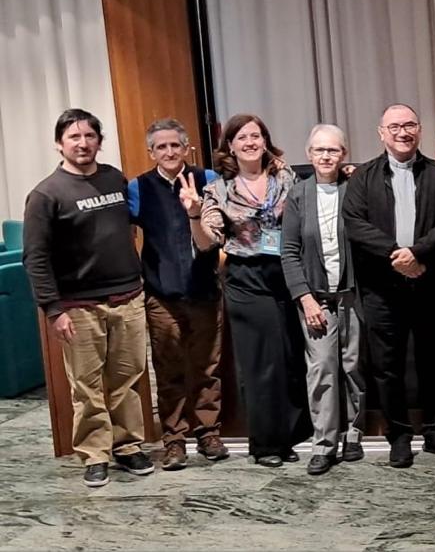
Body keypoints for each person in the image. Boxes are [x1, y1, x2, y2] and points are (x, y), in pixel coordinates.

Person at [23, 109, 153, 487]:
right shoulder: (46, 194)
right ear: (59, 144)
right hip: (79, 306)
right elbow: (35, 257)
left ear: (99, 140)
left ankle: (128, 446)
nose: (83, 143)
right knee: (86, 385)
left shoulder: (114, 178)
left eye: (89, 136)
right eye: (74, 137)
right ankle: (95, 454)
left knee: (127, 379)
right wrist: (53, 309)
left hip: (128, 297)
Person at [185, 114, 311, 468]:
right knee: (261, 363)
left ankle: (289, 437)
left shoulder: (286, 177)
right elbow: (207, 242)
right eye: (242, 137)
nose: (250, 142)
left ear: (265, 141)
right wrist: (194, 214)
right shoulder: (219, 190)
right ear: (230, 146)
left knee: (289, 358)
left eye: (256, 136)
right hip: (247, 278)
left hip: (287, 274)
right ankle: (266, 444)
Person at [343, 104, 435, 468]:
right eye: (394, 126)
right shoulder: (363, 177)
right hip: (382, 286)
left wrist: (418, 254)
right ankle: (398, 435)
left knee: (434, 361)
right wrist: (396, 254)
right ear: (381, 133)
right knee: (387, 366)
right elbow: (355, 223)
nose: (402, 132)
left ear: (420, 130)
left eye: (409, 125)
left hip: (430, 281)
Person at [127, 119, 228, 469]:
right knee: (168, 369)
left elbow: (219, 230)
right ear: (151, 152)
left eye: (175, 145)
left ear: (186, 148)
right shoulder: (138, 187)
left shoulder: (208, 179)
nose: (169, 152)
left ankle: (209, 433)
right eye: (161, 146)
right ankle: (174, 440)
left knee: (207, 367)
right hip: (162, 296)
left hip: (204, 289)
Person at [280, 124, 366, 476]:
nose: (326, 156)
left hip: (353, 294)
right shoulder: (298, 195)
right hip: (316, 298)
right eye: (319, 150)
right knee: (322, 368)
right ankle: (324, 444)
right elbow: (289, 252)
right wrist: (305, 299)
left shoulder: (355, 188)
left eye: (333, 150)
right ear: (309, 154)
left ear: (344, 154)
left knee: (353, 366)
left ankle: (353, 434)